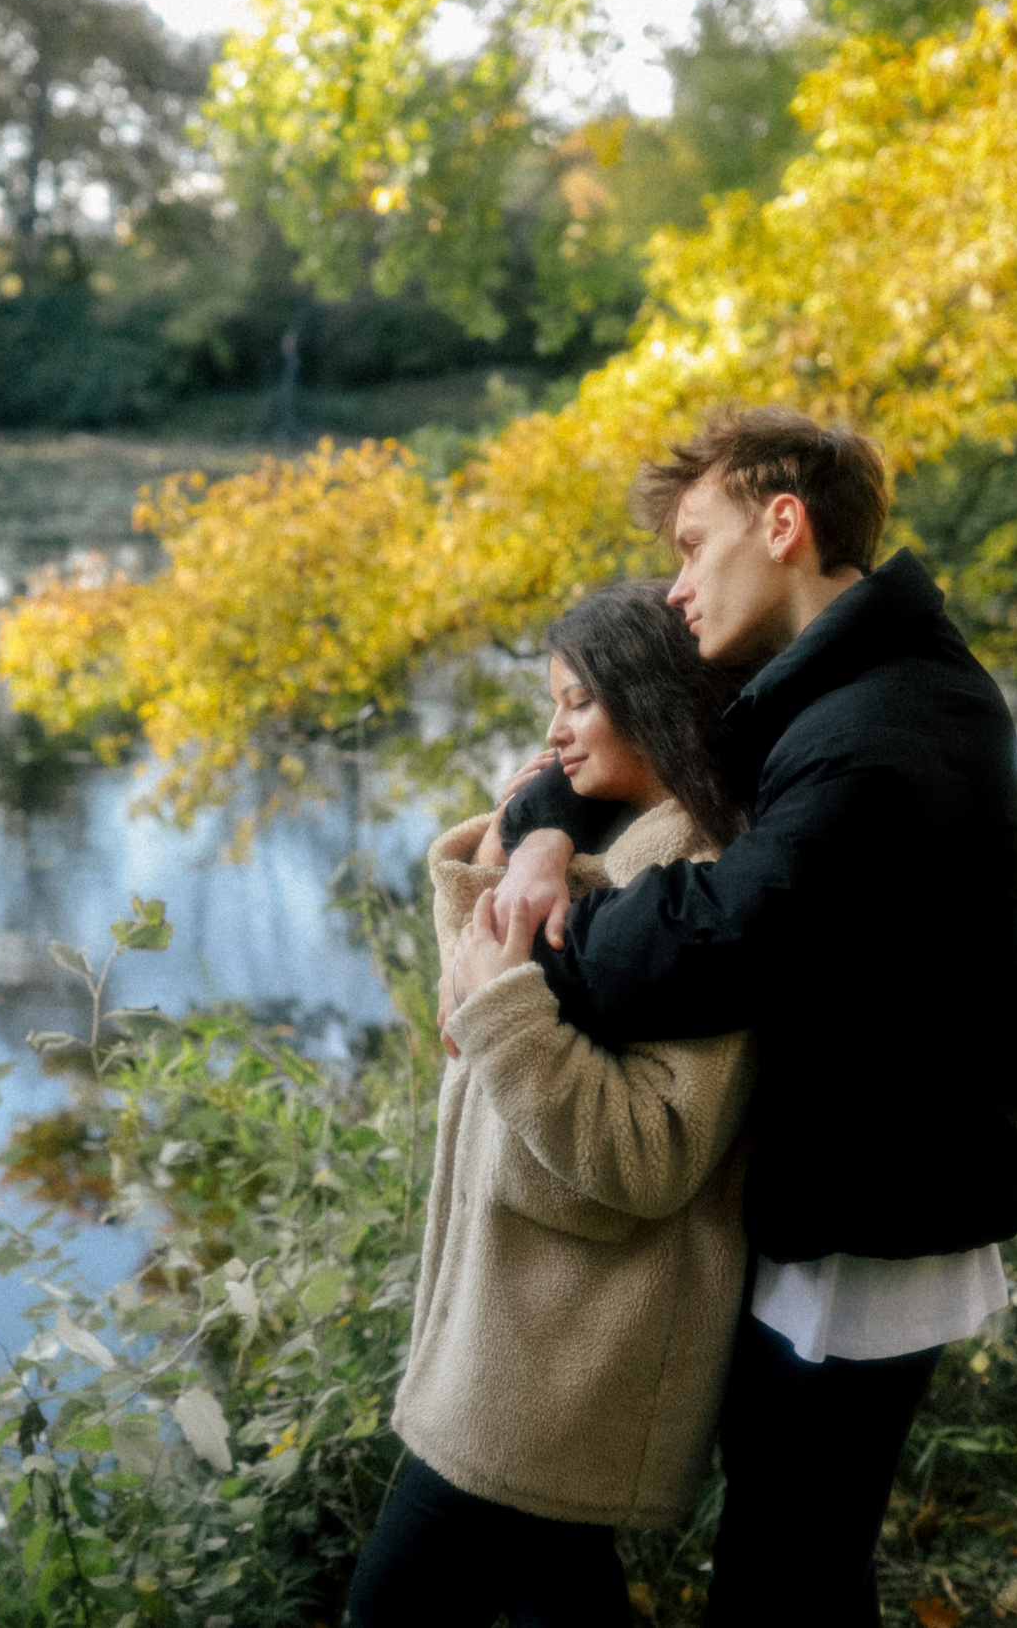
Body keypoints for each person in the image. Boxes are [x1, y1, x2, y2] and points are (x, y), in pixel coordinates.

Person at [482, 406, 1017, 1626]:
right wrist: (542, 837)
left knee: (784, 1578)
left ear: (782, 525)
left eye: (694, 545)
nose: (677, 587)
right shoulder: (817, 689)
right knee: (790, 1565)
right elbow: (618, 755)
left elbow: (710, 943)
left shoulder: (894, 730)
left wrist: (557, 922)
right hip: (819, 1184)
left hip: (877, 1203)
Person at [344, 580, 755, 1628]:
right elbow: (462, 1024)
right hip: (520, 1329)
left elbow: (656, 1149)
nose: (554, 728)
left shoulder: (701, 884)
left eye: (577, 702)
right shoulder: (602, 847)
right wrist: (513, 849)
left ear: (650, 698)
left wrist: (509, 987)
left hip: (566, 1353)